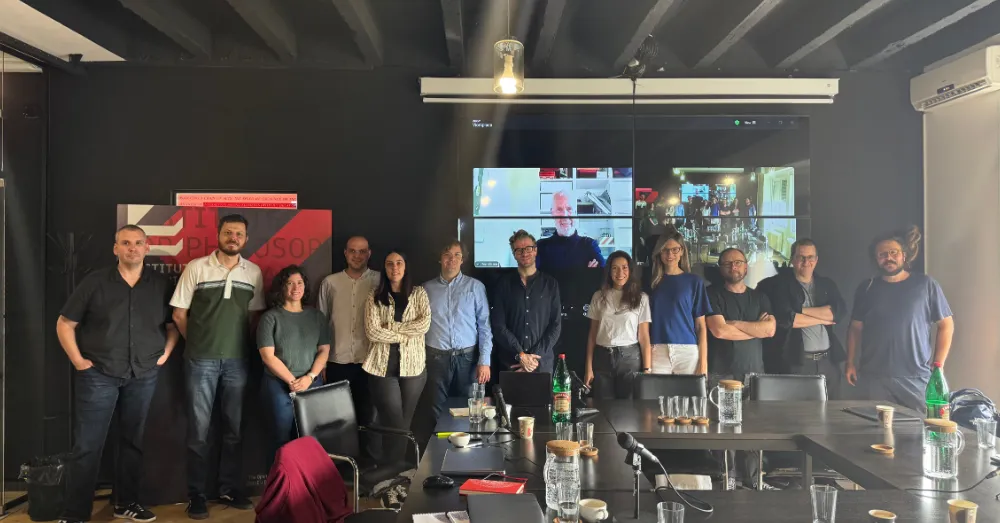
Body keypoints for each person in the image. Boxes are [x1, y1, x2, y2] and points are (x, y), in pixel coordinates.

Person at [56, 225, 178, 523]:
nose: (132, 248)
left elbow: (173, 325)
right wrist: (77, 361)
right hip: (99, 374)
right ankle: (75, 514)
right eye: (125, 243)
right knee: (87, 445)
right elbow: (64, 323)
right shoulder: (95, 282)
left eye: (138, 243)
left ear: (147, 247)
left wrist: (166, 353)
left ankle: (127, 504)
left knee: (132, 441)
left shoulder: (160, 284)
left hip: (143, 373)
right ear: (116, 248)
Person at [171, 214, 265, 519]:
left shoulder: (253, 272)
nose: (233, 237)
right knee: (199, 431)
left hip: (238, 361)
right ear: (218, 234)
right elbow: (179, 314)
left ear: (246, 239)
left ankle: (228, 488)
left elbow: (253, 318)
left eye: (239, 233)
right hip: (200, 361)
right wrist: (198, 343)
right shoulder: (196, 267)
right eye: (228, 232)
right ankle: (196, 495)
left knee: (234, 431)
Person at [846, 226, 954, 413]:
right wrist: (850, 362)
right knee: (875, 435)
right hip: (874, 378)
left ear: (904, 255)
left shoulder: (925, 285)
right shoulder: (866, 288)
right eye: (882, 255)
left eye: (893, 252)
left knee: (919, 433)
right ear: (876, 260)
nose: (888, 257)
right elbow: (855, 328)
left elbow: (946, 325)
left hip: (915, 378)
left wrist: (938, 366)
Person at [704, 247, 776, 491]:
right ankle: (727, 479)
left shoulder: (761, 297)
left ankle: (755, 479)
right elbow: (719, 331)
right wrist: (753, 327)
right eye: (727, 263)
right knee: (723, 430)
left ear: (746, 266)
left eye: (738, 262)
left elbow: (770, 330)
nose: (733, 267)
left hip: (754, 372)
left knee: (753, 429)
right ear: (720, 268)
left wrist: (734, 324)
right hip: (720, 372)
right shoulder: (711, 294)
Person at [257, 265, 330, 466]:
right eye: (289, 283)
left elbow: (324, 350)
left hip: (311, 384)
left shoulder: (316, 317)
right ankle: (283, 486)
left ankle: (306, 485)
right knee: (280, 438)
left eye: (299, 283)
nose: (295, 287)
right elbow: (267, 356)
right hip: (278, 385)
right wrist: (292, 381)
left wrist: (309, 377)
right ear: (281, 288)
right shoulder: (270, 318)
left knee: (309, 438)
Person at [363, 250, 431, 464]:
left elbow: (424, 325)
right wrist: (406, 335)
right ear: (384, 268)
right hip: (382, 367)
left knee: (405, 421)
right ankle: (395, 471)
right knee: (394, 422)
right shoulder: (374, 295)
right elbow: (372, 331)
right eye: (390, 263)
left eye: (399, 262)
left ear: (405, 266)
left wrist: (392, 327)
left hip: (414, 368)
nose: (395, 267)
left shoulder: (419, 293)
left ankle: (395, 471)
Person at [316, 236, 380, 457]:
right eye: (352, 251)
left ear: (369, 253)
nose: (357, 255)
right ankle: (340, 468)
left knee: (369, 417)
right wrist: (321, 361)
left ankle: (369, 467)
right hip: (337, 360)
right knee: (338, 419)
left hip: (369, 361)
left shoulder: (379, 281)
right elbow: (321, 322)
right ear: (345, 253)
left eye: (362, 251)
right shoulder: (330, 283)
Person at [419, 241, 492, 434]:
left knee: (469, 409)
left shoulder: (475, 287)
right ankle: (436, 455)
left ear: (463, 259)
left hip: (467, 359)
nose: (452, 259)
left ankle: (466, 455)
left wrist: (484, 361)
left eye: (457, 255)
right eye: (447, 254)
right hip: (435, 358)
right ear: (439, 258)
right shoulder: (425, 289)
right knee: (434, 410)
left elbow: (485, 326)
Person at [758, 239, 847, 396]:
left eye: (811, 257)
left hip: (828, 362)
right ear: (792, 259)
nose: (806, 262)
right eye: (801, 257)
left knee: (831, 413)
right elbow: (788, 319)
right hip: (796, 363)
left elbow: (838, 313)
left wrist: (800, 311)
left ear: (816, 260)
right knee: (797, 414)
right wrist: (823, 317)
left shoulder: (827, 285)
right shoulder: (778, 285)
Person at [491, 230, 562, 375]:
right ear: (514, 254)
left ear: (535, 250)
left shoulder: (550, 284)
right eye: (519, 250)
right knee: (509, 399)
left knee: (542, 399)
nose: (524, 253)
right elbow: (498, 325)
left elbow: (555, 325)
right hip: (511, 364)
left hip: (541, 364)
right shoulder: (503, 284)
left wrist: (533, 357)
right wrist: (521, 355)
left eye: (528, 248)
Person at [584, 251, 651, 399]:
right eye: (615, 268)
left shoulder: (641, 298)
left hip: (629, 359)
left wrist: (647, 369)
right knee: (603, 409)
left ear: (630, 270)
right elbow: (592, 335)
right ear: (609, 271)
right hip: (602, 358)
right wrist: (588, 367)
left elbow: (644, 337)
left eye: (624, 267)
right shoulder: (598, 296)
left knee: (628, 411)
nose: (620, 272)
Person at [647, 228, 711, 375]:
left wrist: (703, 363)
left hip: (687, 351)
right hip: (657, 349)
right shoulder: (651, 283)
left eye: (675, 249)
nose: (670, 254)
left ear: (682, 251)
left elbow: (701, 326)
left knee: (688, 398)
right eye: (665, 250)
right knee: (657, 398)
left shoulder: (694, 282)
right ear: (659, 253)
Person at [536, 191, 605, 271]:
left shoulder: (590, 245)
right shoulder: (541, 246)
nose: (565, 215)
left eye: (569, 209)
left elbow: (603, 274)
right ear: (552, 213)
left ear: (576, 212)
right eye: (559, 209)